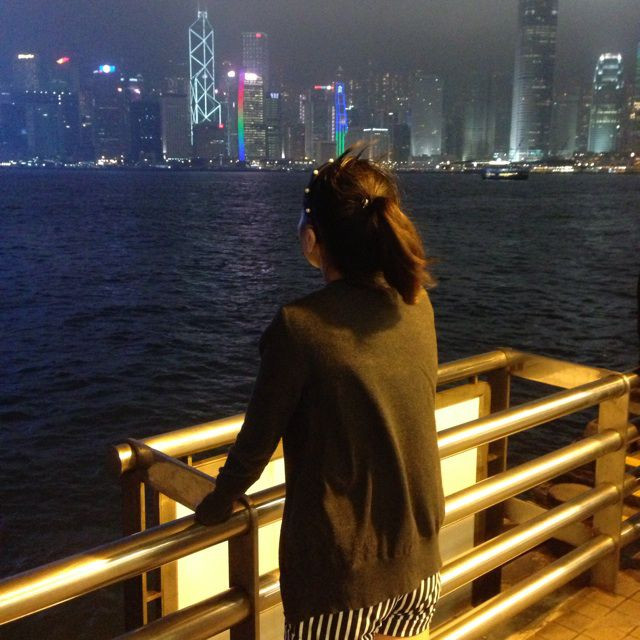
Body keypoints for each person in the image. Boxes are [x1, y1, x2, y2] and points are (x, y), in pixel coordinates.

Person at [195, 148, 445, 640]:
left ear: (313, 238)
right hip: (420, 564)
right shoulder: (416, 305)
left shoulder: (300, 326)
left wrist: (215, 504)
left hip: (343, 579)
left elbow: (253, 448)